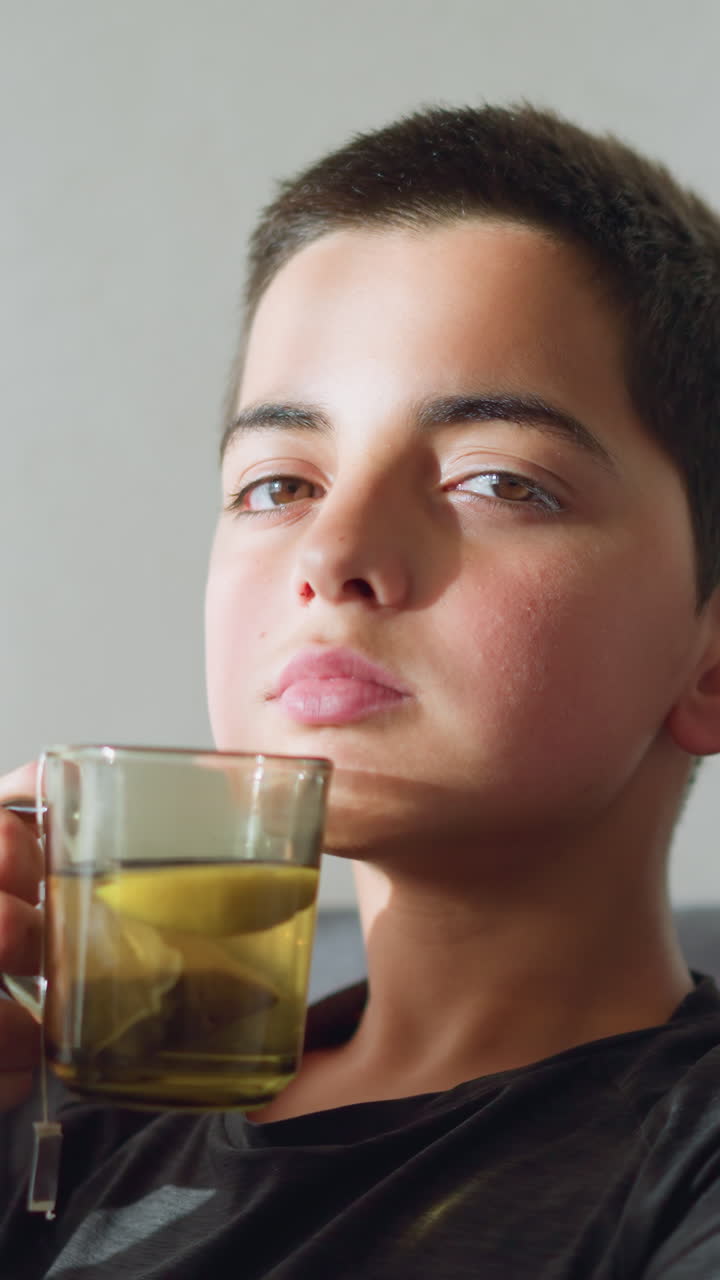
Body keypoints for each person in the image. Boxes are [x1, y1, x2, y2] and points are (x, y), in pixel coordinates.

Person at [3, 101, 720, 1278]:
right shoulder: (53, 1118)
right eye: (278, 483)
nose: (331, 554)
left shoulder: (684, 1170)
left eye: (497, 479)